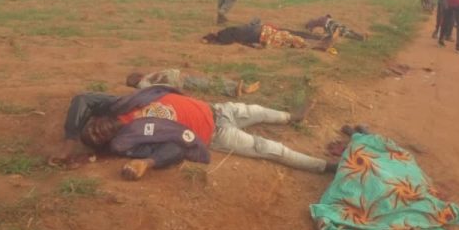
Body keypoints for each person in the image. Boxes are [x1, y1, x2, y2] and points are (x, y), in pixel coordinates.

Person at [69, 86, 336, 180]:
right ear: (106, 143)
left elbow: (83, 99)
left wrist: (69, 136)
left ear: (97, 118)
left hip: (218, 108)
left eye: (92, 127)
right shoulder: (128, 141)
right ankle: (322, 166)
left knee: (258, 111)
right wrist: (147, 163)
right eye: (96, 138)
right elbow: (175, 148)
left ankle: (292, 117)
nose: (97, 130)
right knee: (269, 149)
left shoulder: (121, 104)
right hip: (217, 134)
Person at [125, 69, 260, 98]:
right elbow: (158, 88)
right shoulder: (143, 84)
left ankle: (241, 87)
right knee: (209, 84)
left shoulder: (145, 80)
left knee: (209, 82)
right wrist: (176, 90)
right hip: (180, 82)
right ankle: (236, 90)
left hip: (180, 79)